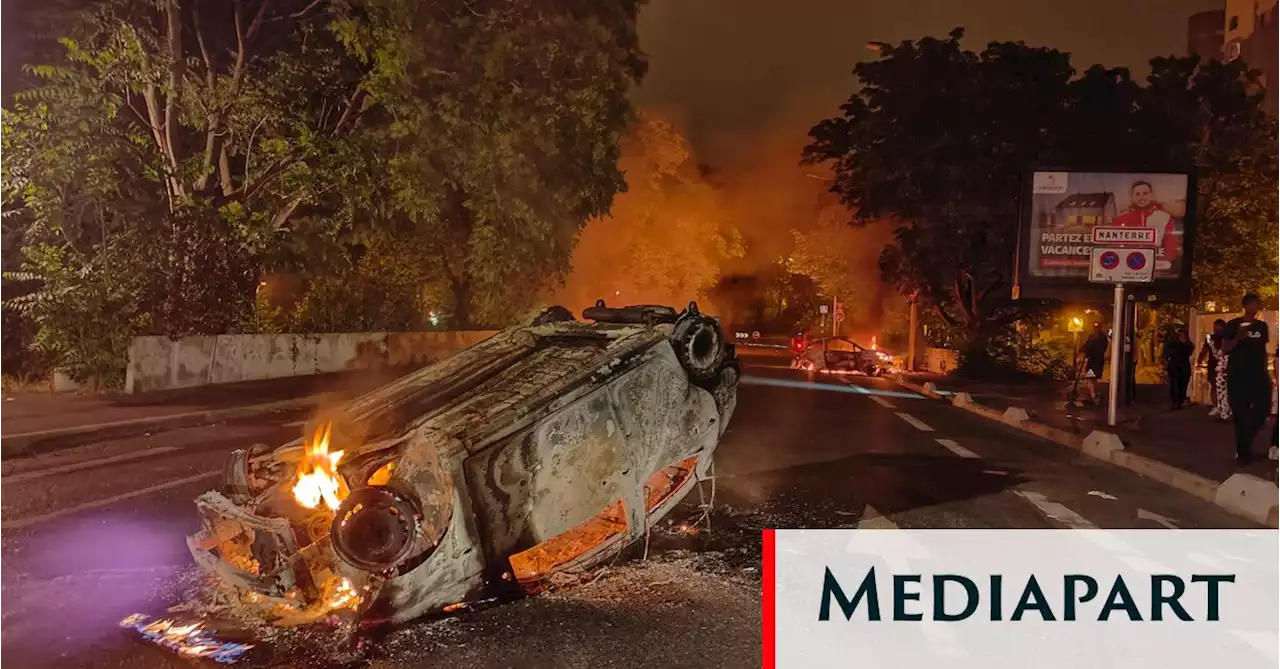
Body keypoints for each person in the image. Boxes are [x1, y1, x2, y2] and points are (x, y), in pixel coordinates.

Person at [1223, 293, 1272, 466]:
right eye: (1252, 304)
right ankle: (1244, 454)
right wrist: (1238, 337)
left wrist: (1266, 369)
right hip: (1238, 375)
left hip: (1258, 374)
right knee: (1240, 414)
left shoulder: (1261, 326)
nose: (1255, 307)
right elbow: (1225, 349)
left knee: (1264, 408)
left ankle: (1245, 444)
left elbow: (1263, 349)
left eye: (1257, 304)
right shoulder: (1233, 325)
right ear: (1245, 305)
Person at [1113, 180, 1179, 264]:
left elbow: (1171, 247)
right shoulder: (1120, 219)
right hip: (1126, 268)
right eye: (1137, 194)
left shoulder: (1165, 218)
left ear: (1151, 195)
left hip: (1156, 269)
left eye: (1145, 193)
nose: (1141, 197)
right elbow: (1113, 246)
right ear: (1132, 197)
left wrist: (1157, 264)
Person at [1196, 319, 1228, 418]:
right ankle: (1216, 405)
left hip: (1225, 365)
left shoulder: (1228, 338)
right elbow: (1204, 350)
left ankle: (1224, 406)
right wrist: (1200, 360)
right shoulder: (1211, 338)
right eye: (1215, 327)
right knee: (1214, 385)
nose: (1216, 329)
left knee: (1225, 387)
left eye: (1218, 326)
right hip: (1213, 365)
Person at [1162, 327, 1195, 410]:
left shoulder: (1188, 345)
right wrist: (1167, 359)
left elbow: (1190, 350)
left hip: (1183, 366)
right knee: (1174, 384)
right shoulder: (1173, 343)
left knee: (1182, 384)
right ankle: (1175, 402)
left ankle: (1179, 401)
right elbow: (1166, 349)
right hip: (1174, 365)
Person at [1078, 323, 1108, 407]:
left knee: (1089, 379)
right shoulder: (1102, 337)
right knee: (1094, 378)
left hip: (1093, 361)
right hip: (1099, 360)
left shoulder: (1093, 337)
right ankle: (1095, 394)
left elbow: (1087, 346)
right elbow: (1105, 346)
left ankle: (1093, 396)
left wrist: (1083, 350)